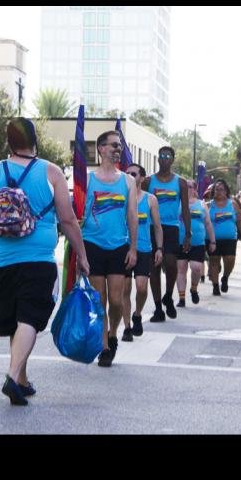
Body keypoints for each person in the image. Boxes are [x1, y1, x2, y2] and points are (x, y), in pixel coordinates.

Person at [0, 118, 89, 406]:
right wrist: (82, 256)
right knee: (31, 317)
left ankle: (21, 380)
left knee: (16, 320)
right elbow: (68, 220)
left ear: (8, 142)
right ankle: (12, 376)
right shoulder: (51, 172)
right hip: (38, 258)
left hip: (2, 260)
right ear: (35, 141)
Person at [82, 130, 137, 367]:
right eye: (114, 145)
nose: (118, 149)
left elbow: (132, 216)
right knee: (99, 300)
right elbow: (77, 214)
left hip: (118, 246)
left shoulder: (128, 181)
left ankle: (113, 332)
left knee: (116, 300)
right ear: (101, 148)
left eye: (120, 146)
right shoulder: (87, 180)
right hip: (92, 245)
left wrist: (133, 248)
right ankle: (104, 346)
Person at [148, 145, 190, 321]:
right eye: (162, 156)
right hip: (152, 227)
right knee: (154, 268)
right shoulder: (149, 181)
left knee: (171, 264)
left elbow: (186, 209)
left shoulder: (180, 182)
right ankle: (158, 308)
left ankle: (168, 295)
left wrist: (188, 234)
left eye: (168, 156)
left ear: (173, 160)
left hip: (172, 227)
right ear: (158, 159)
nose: (164, 159)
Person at [121, 163, 162, 342]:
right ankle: (127, 327)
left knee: (141, 288)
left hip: (144, 249)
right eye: (127, 173)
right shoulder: (121, 197)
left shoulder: (150, 199)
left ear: (142, 178)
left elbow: (158, 227)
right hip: (123, 248)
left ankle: (137, 314)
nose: (130, 176)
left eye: (134, 174)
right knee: (125, 289)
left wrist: (159, 248)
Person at [176, 179, 215, 307]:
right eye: (184, 186)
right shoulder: (178, 203)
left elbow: (208, 224)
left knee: (196, 267)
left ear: (194, 189)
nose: (186, 188)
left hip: (198, 242)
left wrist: (212, 241)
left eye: (189, 186)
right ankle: (181, 298)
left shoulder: (201, 204)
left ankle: (193, 288)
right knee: (181, 268)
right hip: (181, 242)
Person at [207, 179, 241, 295]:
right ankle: (215, 286)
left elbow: (240, 220)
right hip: (212, 239)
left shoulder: (232, 204)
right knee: (214, 261)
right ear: (213, 191)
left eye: (221, 189)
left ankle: (225, 277)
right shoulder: (209, 205)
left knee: (230, 259)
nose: (219, 192)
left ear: (226, 191)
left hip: (230, 239)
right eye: (216, 189)